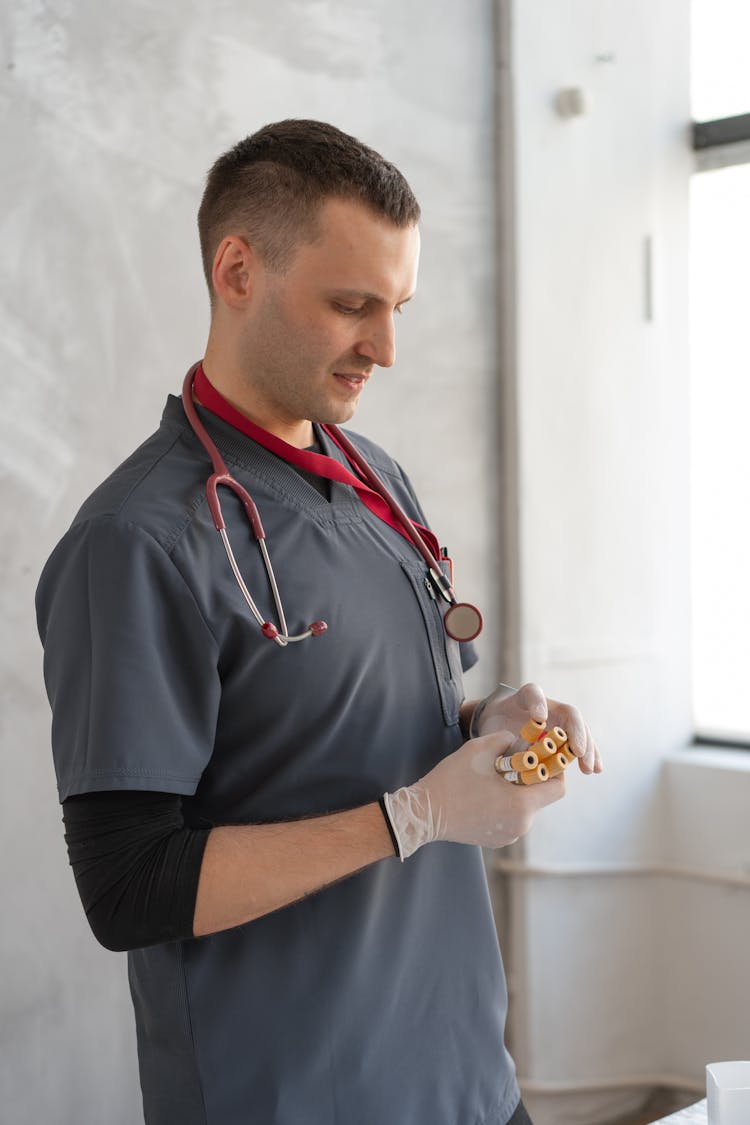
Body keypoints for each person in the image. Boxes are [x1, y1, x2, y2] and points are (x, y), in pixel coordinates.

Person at [36, 119, 600, 1125]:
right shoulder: (137, 544)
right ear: (239, 270)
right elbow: (128, 887)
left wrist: (496, 735)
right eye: (353, 307)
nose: (386, 347)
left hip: (468, 1078)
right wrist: (414, 819)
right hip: (294, 1097)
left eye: (397, 307)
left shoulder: (376, 479)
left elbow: (375, 732)